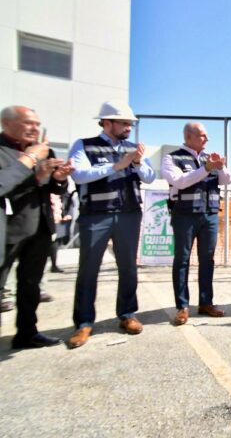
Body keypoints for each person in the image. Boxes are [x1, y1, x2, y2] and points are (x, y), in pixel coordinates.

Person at [66, 101, 156, 349]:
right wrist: (115, 166)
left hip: (128, 215)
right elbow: (78, 174)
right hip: (96, 215)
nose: (129, 127)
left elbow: (150, 176)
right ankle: (83, 323)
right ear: (107, 122)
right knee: (89, 269)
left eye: (130, 123)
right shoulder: (84, 145)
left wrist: (136, 163)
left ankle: (127, 314)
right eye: (124, 123)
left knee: (128, 267)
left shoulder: (132, 148)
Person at [0, 105, 73, 348]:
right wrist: (31, 160)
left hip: (39, 227)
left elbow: (50, 187)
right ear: (6, 123)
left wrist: (59, 179)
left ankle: (27, 332)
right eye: (28, 123)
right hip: (8, 229)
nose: (34, 128)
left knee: (30, 284)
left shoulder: (43, 150)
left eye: (37, 124)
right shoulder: (7, 150)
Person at [161, 122, 231, 325]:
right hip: (184, 215)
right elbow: (180, 181)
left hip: (209, 214)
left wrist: (221, 167)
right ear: (189, 136)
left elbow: (227, 180)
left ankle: (205, 302)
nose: (207, 139)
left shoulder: (207, 158)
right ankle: (182, 306)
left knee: (207, 260)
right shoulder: (172, 158)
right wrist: (206, 168)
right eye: (202, 135)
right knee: (182, 260)